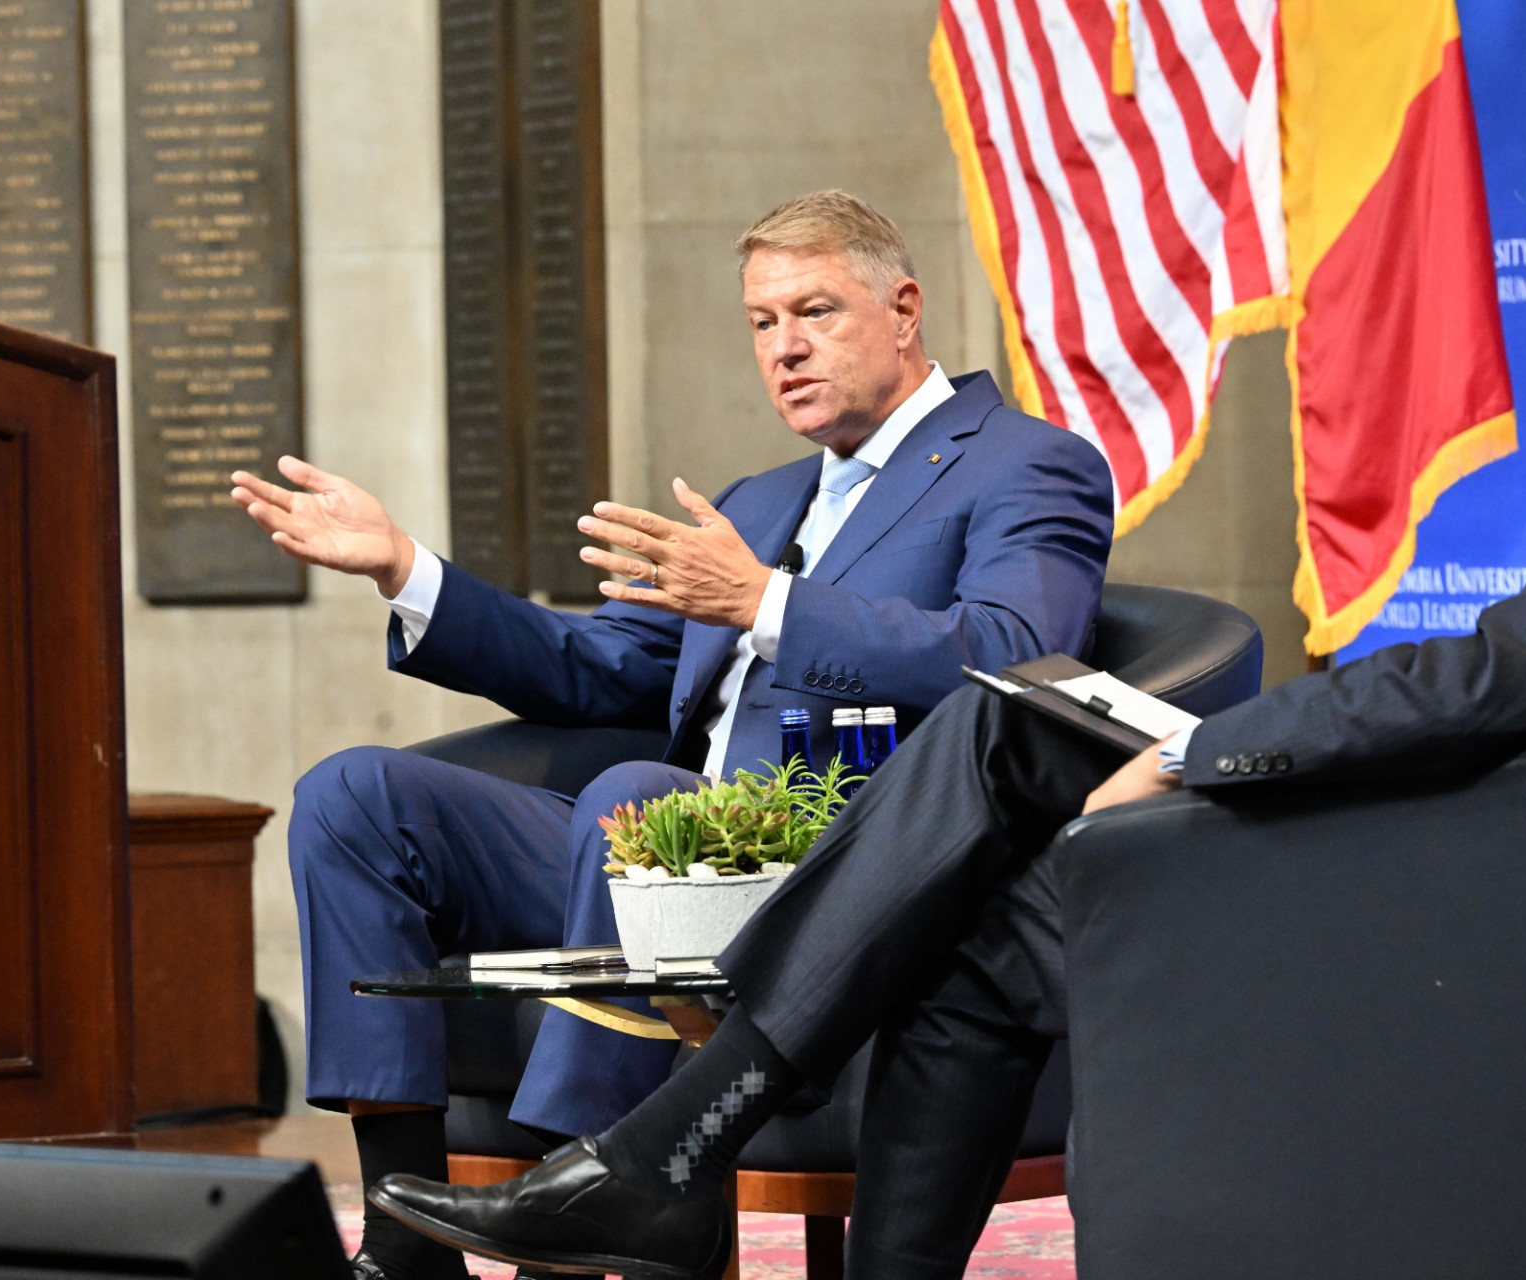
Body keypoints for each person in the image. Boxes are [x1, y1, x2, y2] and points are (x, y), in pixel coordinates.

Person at [368, 106, 1526, 1280]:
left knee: (1002, 719)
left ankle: (672, 1148)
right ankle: (691, 1160)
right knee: (987, 857)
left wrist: (1205, 755)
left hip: (1471, 913)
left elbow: (1480, 685)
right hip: (1513, 874)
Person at [230, 190, 1115, 1280]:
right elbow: (594, 666)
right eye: (761, 322)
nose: (784, 347)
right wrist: (407, 569)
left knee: (638, 797)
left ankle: (594, 1193)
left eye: (816, 310)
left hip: (844, 868)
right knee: (356, 793)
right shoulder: (758, 498)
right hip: (654, 853)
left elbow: (1017, 654)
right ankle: (408, 1249)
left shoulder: (1026, 461)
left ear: (904, 308)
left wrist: (770, 606)